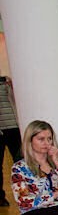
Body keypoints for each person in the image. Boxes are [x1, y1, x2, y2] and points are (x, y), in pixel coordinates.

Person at [0, 77, 21, 206]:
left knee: (20, 162)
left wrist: (14, 87)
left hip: (14, 128)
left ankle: (24, 193)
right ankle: (0, 197)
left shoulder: (7, 84)